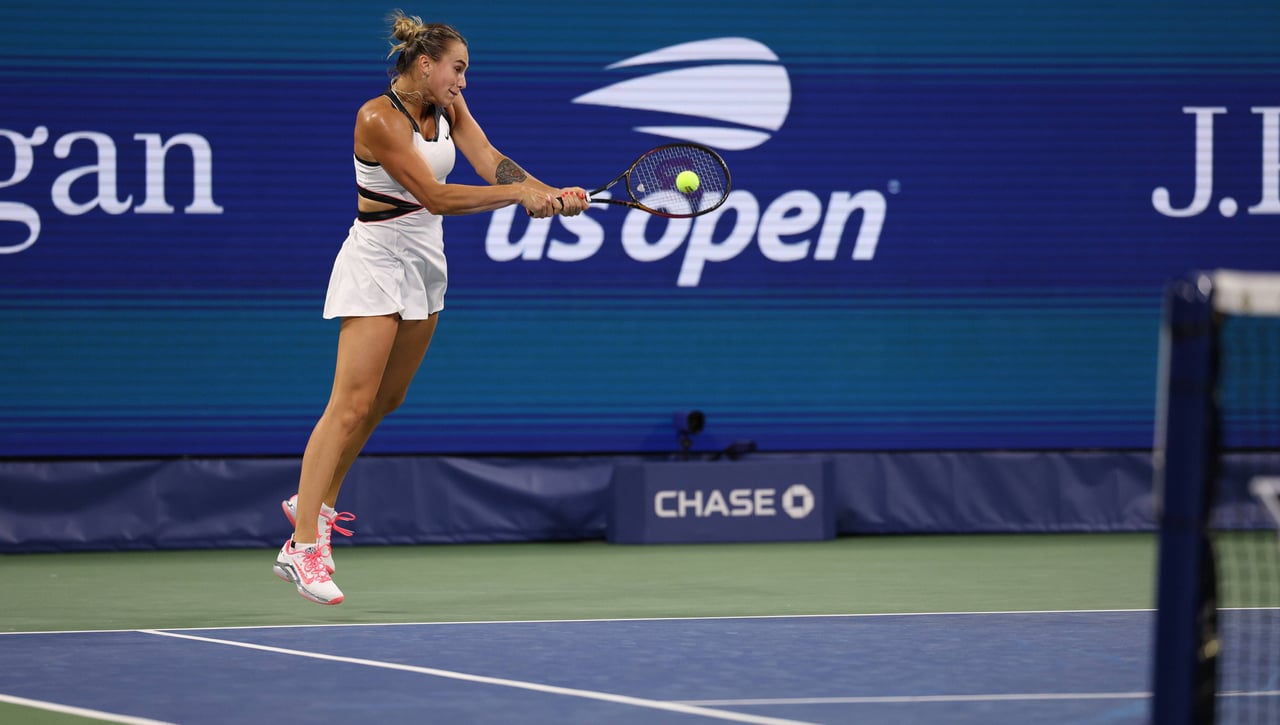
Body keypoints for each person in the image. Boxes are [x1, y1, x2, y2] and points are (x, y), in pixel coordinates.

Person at [272, 11, 589, 605]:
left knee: (389, 399)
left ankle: (314, 499)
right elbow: (436, 196)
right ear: (424, 64)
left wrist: (544, 192)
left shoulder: (445, 109)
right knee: (350, 404)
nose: (462, 82)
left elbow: (488, 158)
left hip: (423, 263)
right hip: (376, 263)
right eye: (457, 69)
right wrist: (520, 195)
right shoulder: (377, 117)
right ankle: (303, 545)